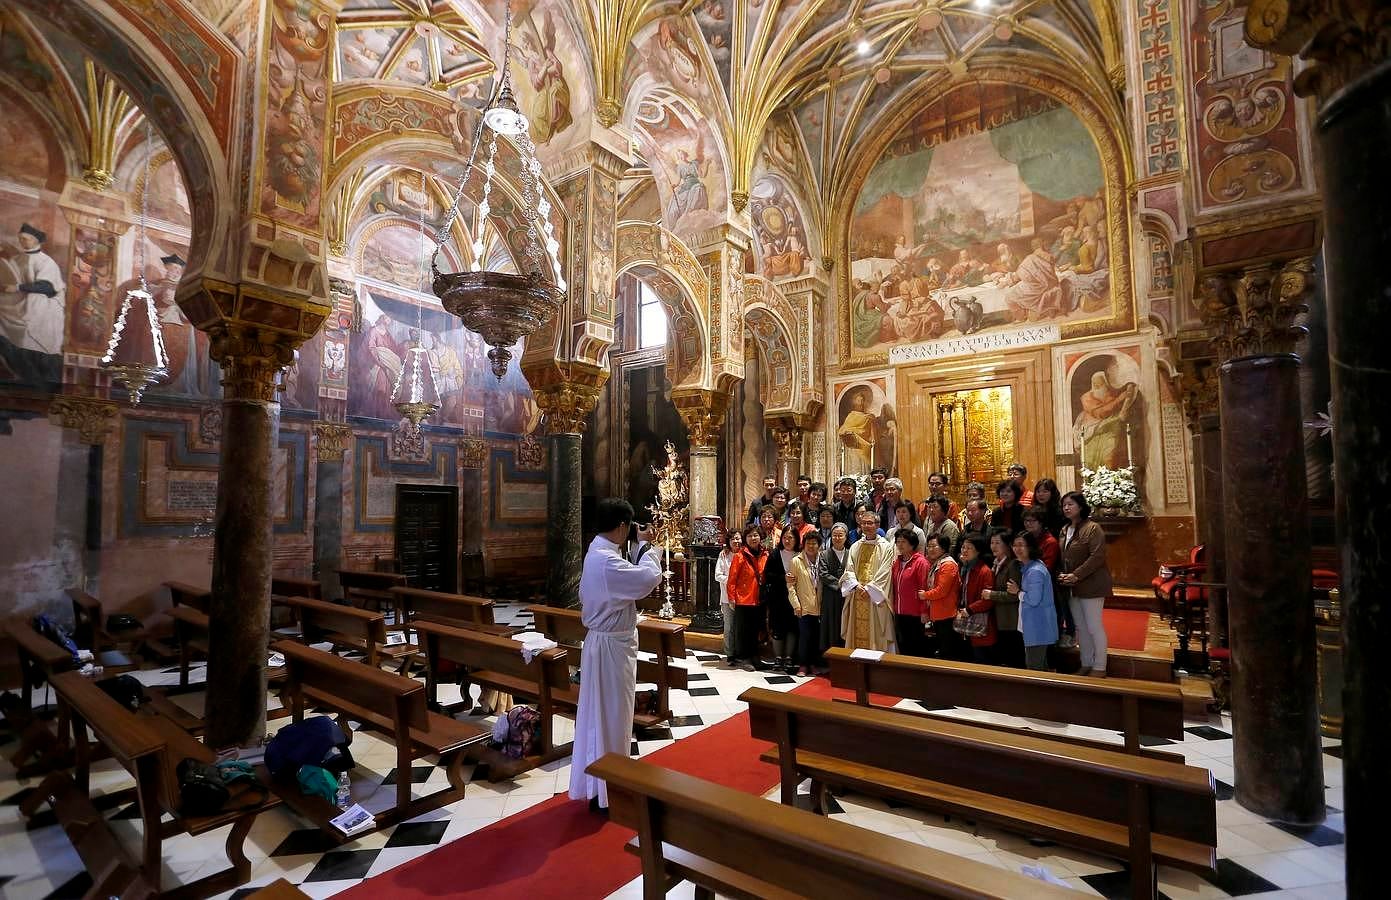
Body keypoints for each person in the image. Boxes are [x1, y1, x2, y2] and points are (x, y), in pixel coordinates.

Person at [569, 498, 664, 811]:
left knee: (600, 715)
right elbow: (647, 579)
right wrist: (650, 550)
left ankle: (600, 786)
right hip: (611, 651)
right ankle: (612, 790)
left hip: (602, 645)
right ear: (622, 526)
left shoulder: (597, 553)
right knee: (614, 717)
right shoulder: (609, 562)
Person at [1059, 491, 1112, 676]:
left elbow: (1097, 556)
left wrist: (1076, 575)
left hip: (1092, 584)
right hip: (1072, 586)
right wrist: (1063, 575)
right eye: (1064, 505)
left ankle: (1100, 666)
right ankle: (1086, 662)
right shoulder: (1065, 529)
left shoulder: (1092, 528)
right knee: (1081, 626)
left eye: (1070, 504)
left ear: (1080, 506)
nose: (1066, 508)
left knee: (1093, 626)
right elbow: (1063, 556)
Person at [838, 509, 896, 651]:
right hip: (857, 594)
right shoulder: (855, 546)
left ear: (877, 525)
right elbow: (849, 569)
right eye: (863, 523)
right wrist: (856, 586)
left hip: (875, 598)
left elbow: (885, 572)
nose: (866, 526)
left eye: (869, 523)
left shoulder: (886, 547)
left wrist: (870, 589)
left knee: (877, 632)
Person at [1010, 531, 1059, 670]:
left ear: (1030, 547)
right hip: (1035, 624)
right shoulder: (1031, 566)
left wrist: (1017, 592)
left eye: (1021, 545)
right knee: (1039, 665)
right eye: (1014, 545)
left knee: (1034, 666)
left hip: (1038, 625)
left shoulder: (1035, 570)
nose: (1017, 549)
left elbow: (1033, 599)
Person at [726, 526, 768, 671]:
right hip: (743, 599)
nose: (753, 538)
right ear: (745, 538)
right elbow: (732, 579)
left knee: (756, 629)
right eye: (749, 536)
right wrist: (731, 598)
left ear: (760, 537)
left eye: (755, 535)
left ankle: (755, 656)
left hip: (759, 599)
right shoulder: (739, 555)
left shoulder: (765, 554)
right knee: (744, 631)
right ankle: (743, 658)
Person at [981, 530, 1023, 668]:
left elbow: (1013, 595)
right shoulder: (995, 563)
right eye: (992, 542)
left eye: (998, 543)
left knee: (1013, 659)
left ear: (1007, 546)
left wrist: (991, 594)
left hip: (1010, 619)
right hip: (998, 618)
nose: (993, 546)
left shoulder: (1013, 565)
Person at [762, 527, 801, 673]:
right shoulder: (775, 554)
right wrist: (782, 578)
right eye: (785, 537)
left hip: (795, 599)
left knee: (792, 628)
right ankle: (778, 657)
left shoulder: (800, 555)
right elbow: (767, 575)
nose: (787, 540)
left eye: (791, 537)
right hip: (778, 598)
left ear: (796, 539)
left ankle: (789, 657)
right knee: (778, 627)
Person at [917, 534, 963, 661]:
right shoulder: (938, 562)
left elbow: (942, 591)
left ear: (943, 548)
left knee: (948, 651)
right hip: (939, 612)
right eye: (929, 546)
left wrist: (924, 595)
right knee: (943, 648)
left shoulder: (948, 565)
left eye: (934, 546)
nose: (930, 549)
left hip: (946, 613)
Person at [958, 534, 998, 664]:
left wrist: (969, 609)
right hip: (967, 622)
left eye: (969, 548)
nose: (964, 550)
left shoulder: (984, 571)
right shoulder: (966, 567)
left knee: (982, 662)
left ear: (978, 551)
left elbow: (988, 600)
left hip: (980, 623)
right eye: (963, 547)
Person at [890, 531, 931, 657]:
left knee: (916, 646)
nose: (900, 545)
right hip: (899, 611)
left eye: (903, 542)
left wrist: (924, 611)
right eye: (898, 542)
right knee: (903, 644)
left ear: (912, 544)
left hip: (915, 613)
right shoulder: (897, 562)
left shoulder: (921, 562)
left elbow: (924, 588)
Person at [790, 531, 825, 676]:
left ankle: (814, 664)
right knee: (804, 637)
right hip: (804, 606)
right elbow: (791, 586)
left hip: (821, 606)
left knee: (817, 638)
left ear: (819, 545)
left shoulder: (823, 559)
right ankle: (803, 665)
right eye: (808, 543)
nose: (811, 546)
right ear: (803, 545)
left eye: (814, 543)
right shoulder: (796, 561)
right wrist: (796, 605)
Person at [819, 523, 850, 652]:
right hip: (830, 597)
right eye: (834, 535)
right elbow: (823, 574)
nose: (837, 538)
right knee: (831, 626)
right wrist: (840, 585)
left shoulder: (850, 553)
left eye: (840, 535)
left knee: (845, 625)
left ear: (846, 537)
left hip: (847, 596)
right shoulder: (824, 554)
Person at [714, 529, 742, 664]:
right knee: (729, 626)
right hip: (727, 597)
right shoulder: (724, 555)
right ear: (729, 542)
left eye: (738, 538)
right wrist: (732, 580)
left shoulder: (744, 554)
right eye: (733, 539)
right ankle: (730, 653)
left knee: (740, 626)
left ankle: (740, 652)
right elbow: (718, 575)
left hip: (743, 597)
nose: (736, 541)